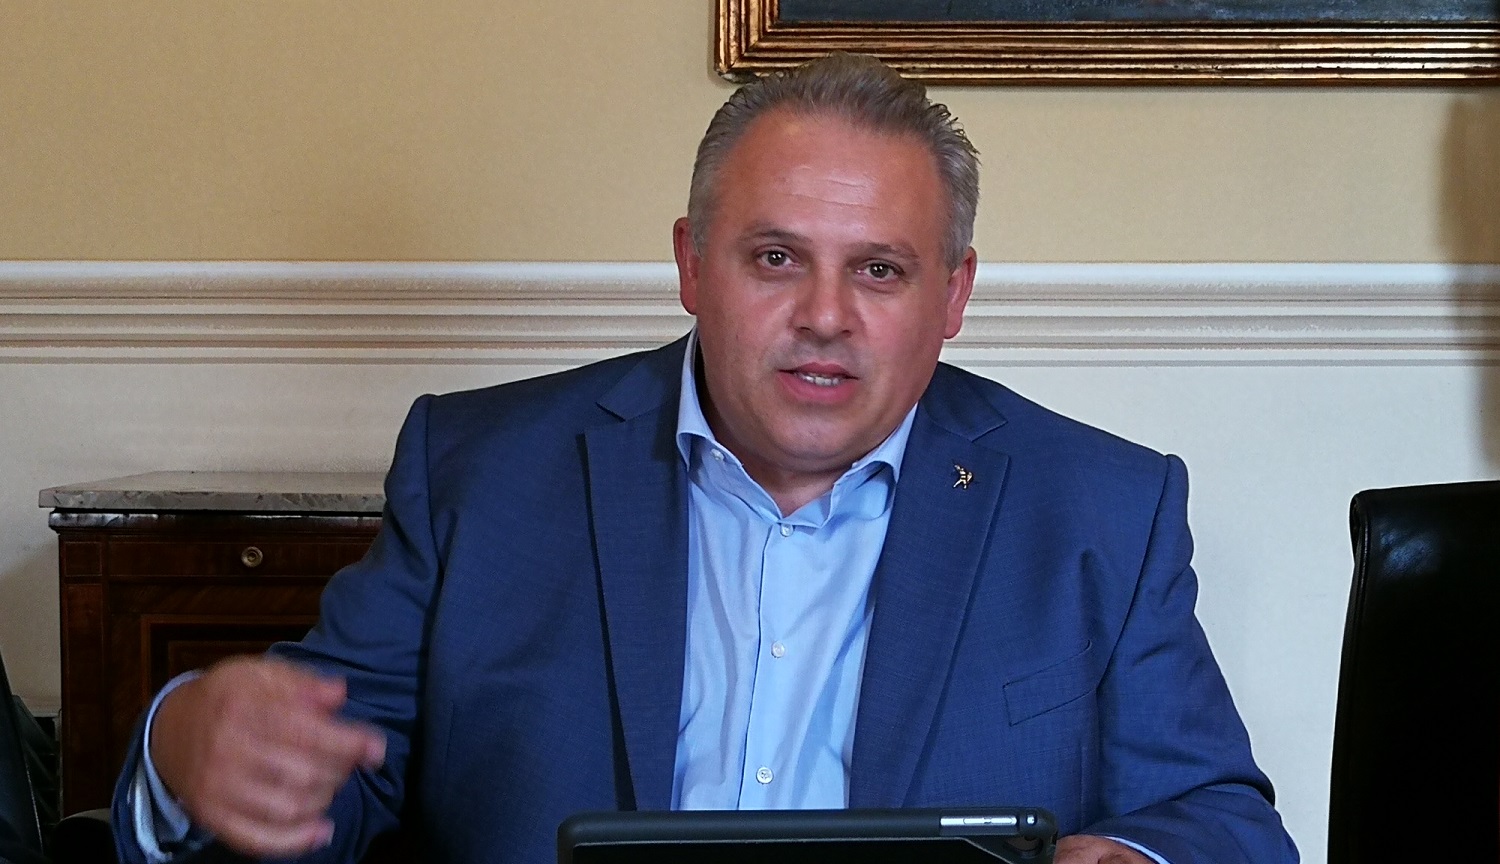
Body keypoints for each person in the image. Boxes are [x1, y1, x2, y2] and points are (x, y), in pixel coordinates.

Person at [111, 53, 1298, 864]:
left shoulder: (1100, 510)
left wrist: (1139, 854)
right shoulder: (478, 473)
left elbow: (1224, 821)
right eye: (776, 258)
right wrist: (183, 750)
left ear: (953, 295)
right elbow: (320, 781)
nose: (825, 315)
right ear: (691, 264)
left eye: (879, 270)